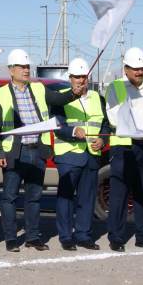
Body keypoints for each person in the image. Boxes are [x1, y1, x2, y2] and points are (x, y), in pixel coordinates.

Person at [0, 49, 79, 252]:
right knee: (9, 197)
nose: (26, 70)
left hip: (37, 150)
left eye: (28, 66)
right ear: (11, 70)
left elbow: (57, 99)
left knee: (34, 197)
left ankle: (32, 236)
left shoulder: (38, 89)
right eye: (21, 66)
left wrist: (74, 93)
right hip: (14, 151)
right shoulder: (0, 94)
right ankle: (11, 238)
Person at [104, 47, 143, 252]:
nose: (139, 72)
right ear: (126, 69)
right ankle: (116, 238)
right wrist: (136, 127)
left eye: (142, 69)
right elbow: (113, 118)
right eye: (135, 69)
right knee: (119, 194)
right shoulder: (115, 88)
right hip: (123, 147)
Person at [51, 57, 109, 251]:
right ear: (70, 78)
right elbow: (57, 127)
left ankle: (84, 235)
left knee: (87, 198)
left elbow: (105, 125)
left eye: (83, 77)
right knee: (66, 198)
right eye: (76, 77)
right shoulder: (59, 97)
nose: (80, 80)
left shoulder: (98, 98)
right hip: (69, 154)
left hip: (91, 154)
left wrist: (103, 139)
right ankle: (66, 236)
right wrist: (74, 132)